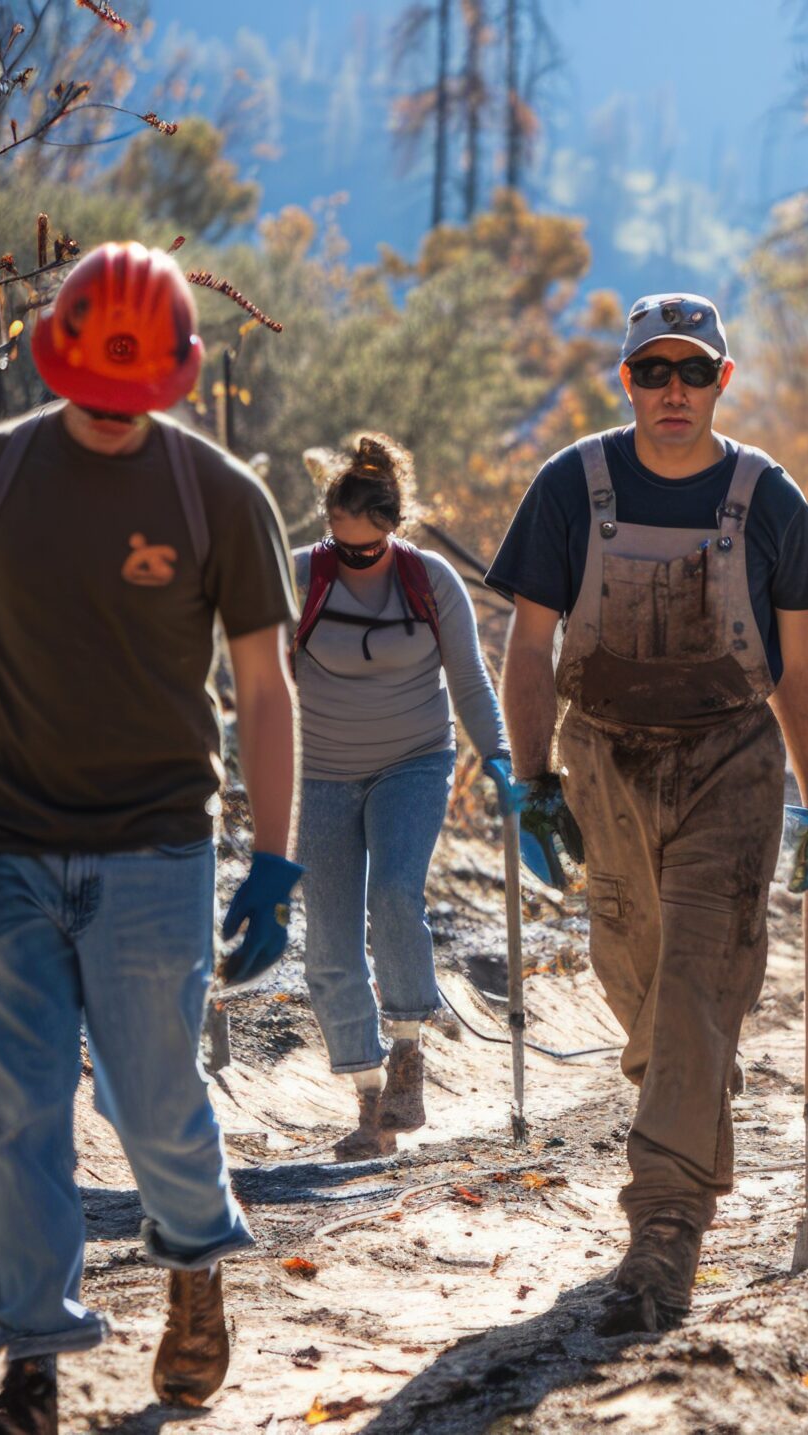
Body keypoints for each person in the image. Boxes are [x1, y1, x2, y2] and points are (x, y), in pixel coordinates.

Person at [0, 243, 299, 1431]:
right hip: (6, 843)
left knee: (152, 1099)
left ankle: (193, 1260)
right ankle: (32, 1356)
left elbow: (266, 690)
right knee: (28, 1104)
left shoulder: (219, 497)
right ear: (59, 363)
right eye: (92, 389)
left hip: (157, 847)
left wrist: (276, 858)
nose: (107, 414)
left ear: (172, 382)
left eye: (131, 397)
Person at [487, 292, 808, 1337]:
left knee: (694, 977)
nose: (673, 390)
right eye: (653, 371)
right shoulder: (570, 486)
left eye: (693, 371)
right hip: (601, 758)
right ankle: (691, 1079)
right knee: (631, 969)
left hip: (731, 758)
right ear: (626, 380)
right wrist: (534, 778)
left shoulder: (766, 497)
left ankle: (665, 1224)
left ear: (724, 379)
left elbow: (799, 663)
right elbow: (528, 641)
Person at [290, 433, 518, 1160]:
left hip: (414, 761)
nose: (352, 559)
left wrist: (503, 758)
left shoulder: (431, 580)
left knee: (393, 893)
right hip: (320, 768)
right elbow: (252, 666)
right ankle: (368, 1107)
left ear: (394, 526)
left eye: (366, 549)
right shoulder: (300, 577)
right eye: (341, 546)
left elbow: (471, 680)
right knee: (327, 938)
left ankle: (410, 1049)